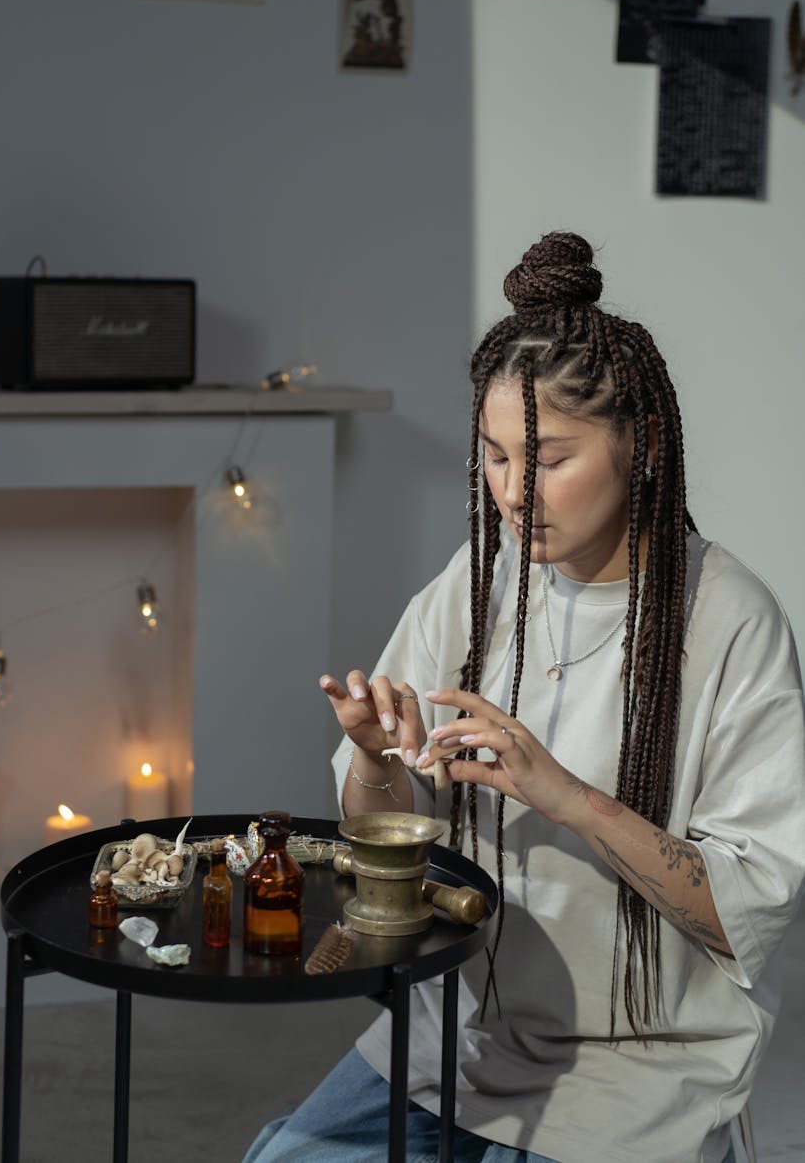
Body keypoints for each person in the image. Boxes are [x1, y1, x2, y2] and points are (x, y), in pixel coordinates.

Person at [243, 231, 805, 1163]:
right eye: (495, 458)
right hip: (452, 1035)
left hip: (636, 1064)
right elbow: (387, 834)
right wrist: (378, 758)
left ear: (644, 440)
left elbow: (744, 909)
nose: (512, 493)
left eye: (547, 460)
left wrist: (563, 795)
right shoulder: (478, 582)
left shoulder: (729, 620)